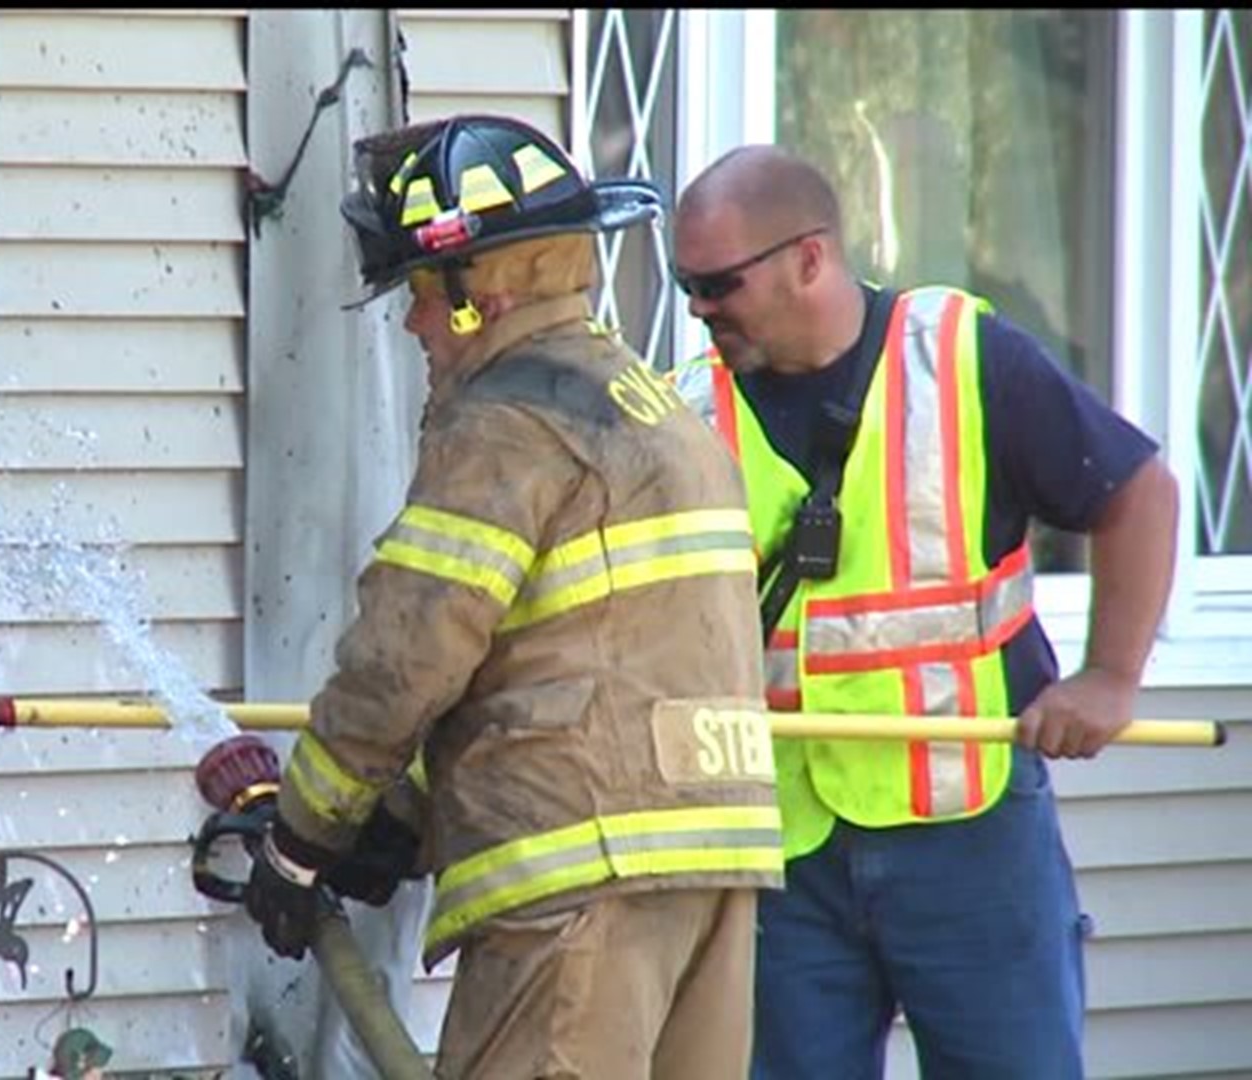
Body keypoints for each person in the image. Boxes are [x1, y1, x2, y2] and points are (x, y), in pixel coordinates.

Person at [239, 113, 786, 1079]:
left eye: (414, 292)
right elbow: (578, 655)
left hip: (580, 884)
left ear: (471, 291)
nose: (410, 323)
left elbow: (404, 656)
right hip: (710, 870)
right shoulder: (645, 405)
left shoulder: (507, 422)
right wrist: (403, 824)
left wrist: (300, 838)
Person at [666, 144, 1180, 1079]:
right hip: (786, 842)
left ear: (808, 258)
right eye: (684, 285)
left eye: (717, 284)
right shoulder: (691, 408)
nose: (698, 308)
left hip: (967, 825)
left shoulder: (958, 359)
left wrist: (1111, 676)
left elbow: (1136, 492)